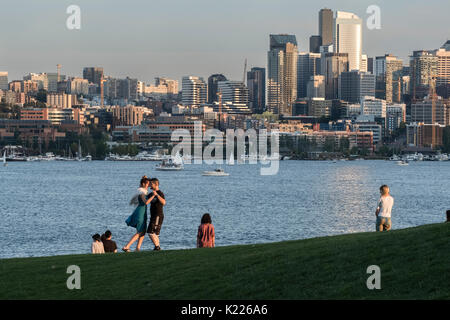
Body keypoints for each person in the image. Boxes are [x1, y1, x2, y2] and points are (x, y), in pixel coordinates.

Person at [123, 176, 153, 252]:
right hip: (139, 212)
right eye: (147, 184)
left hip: (143, 212)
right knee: (140, 231)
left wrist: (146, 178)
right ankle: (127, 246)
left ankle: (137, 248)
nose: (149, 185)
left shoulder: (142, 190)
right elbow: (145, 201)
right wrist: (154, 196)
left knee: (143, 231)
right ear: (143, 184)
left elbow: (146, 185)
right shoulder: (141, 191)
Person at [147, 178, 166, 251]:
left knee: (150, 232)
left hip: (158, 215)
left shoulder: (160, 193)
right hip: (153, 215)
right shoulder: (151, 194)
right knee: (155, 234)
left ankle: (157, 247)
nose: (150, 185)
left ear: (156, 184)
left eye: (151, 184)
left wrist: (157, 195)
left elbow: (164, 202)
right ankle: (157, 247)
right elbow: (145, 198)